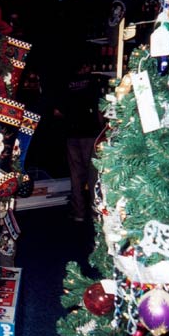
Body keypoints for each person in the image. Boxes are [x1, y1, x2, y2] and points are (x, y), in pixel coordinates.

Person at [55, 62, 105, 222]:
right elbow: (101, 109)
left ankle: (79, 213)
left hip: (72, 134)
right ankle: (96, 213)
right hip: (90, 134)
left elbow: (57, 112)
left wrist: (72, 116)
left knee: (76, 175)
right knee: (93, 174)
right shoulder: (94, 83)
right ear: (86, 67)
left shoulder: (67, 83)